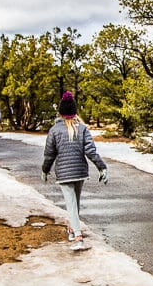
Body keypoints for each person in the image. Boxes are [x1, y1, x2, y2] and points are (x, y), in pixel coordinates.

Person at [41, 91, 108, 251]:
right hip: (79, 171)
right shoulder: (83, 129)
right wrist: (101, 167)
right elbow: (91, 151)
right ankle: (72, 229)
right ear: (74, 112)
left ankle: (78, 237)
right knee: (74, 202)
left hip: (64, 173)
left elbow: (49, 154)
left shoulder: (54, 130)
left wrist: (45, 170)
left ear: (61, 112)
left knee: (71, 204)